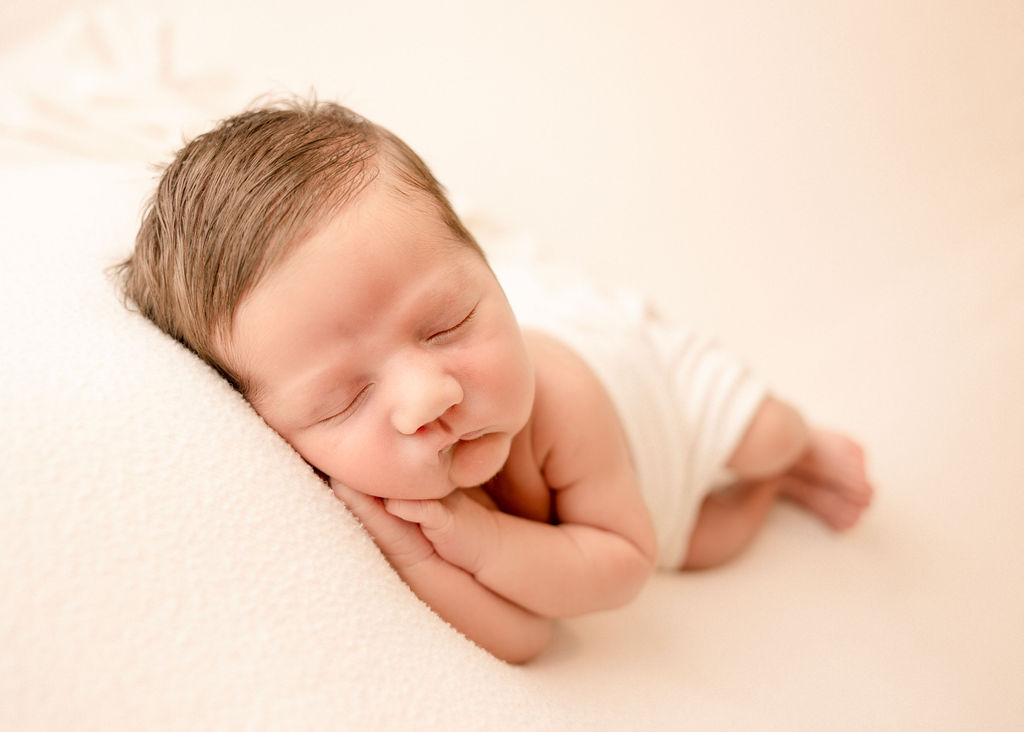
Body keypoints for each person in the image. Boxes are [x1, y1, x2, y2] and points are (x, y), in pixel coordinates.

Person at [116, 98, 873, 664]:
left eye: (446, 325)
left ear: (488, 272)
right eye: (345, 399)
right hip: (641, 516)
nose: (427, 397)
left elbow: (620, 569)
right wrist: (409, 548)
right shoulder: (371, 487)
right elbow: (522, 638)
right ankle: (776, 490)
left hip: (652, 389)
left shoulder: (560, 394)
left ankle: (797, 451)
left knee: (763, 435)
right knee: (711, 540)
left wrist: (473, 537)